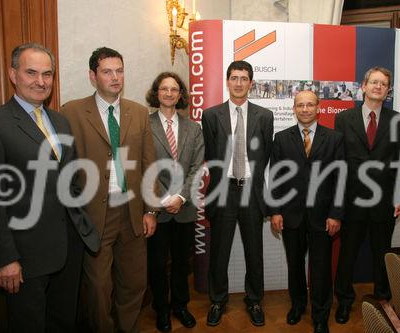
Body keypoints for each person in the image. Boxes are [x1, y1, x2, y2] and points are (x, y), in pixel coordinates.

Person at [0, 43, 99, 332]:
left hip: (69, 249)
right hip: (25, 256)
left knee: (63, 321)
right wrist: (6, 258)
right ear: (12, 74)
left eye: (47, 74)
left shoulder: (60, 121)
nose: (41, 81)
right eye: (31, 72)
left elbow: (69, 181)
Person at [60, 47, 157, 333]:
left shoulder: (138, 113)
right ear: (93, 76)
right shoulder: (71, 112)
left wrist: (151, 209)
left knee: (133, 283)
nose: (115, 77)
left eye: (119, 70)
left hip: (133, 213)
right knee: (98, 289)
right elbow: (65, 169)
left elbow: (149, 163)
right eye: (107, 72)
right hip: (94, 216)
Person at [202, 60, 273, 327]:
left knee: (255, 251)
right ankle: (217, 300)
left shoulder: (265, 116)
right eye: (234, 78)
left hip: (252, 193)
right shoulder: (210, 116)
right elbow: (211, 155)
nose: (239, 83)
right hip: (223, 192)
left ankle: (254, 300)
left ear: (252, 83)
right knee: (219, 252)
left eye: (244, 78)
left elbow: (265, 154)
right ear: (227, 81)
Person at [333, 67, 400, 324]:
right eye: (373, 82)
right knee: (347, 254)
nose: (378, 87)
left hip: (383, 201)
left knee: (381, 254)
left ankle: (383, 300)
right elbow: (338, 162)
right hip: (352, 201)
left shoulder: (397, 120)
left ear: (388, 91)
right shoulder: (344, 119)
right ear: (363, 86)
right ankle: (344, 301)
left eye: (383, 84)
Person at [269, 91, 344, 333]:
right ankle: (298, 305)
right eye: (300, 105)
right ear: (294, 108)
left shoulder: (334, 139)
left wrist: (336, 213)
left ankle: (321, 314)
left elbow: (340, 179)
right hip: (290, 215)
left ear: (318, 108)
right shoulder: (281, 139)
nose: (305, 109)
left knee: (321, 268)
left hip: (323, 216)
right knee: (295, 264)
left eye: (310, 104)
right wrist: (275, 211)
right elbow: (276, 178)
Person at [145, 72, 204, 332]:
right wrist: (159, 200)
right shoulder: (142, 125)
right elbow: (143, 167)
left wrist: (180, 197)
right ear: (156, 93)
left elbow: (196, 168)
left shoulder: (194, 128)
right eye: (164, 89)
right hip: (154, 209)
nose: (169, 93)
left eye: (174, 89)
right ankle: (161, 309)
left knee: (182, 262)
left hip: (184, 208)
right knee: (157, 264)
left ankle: (180, 305)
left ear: (181, 95)